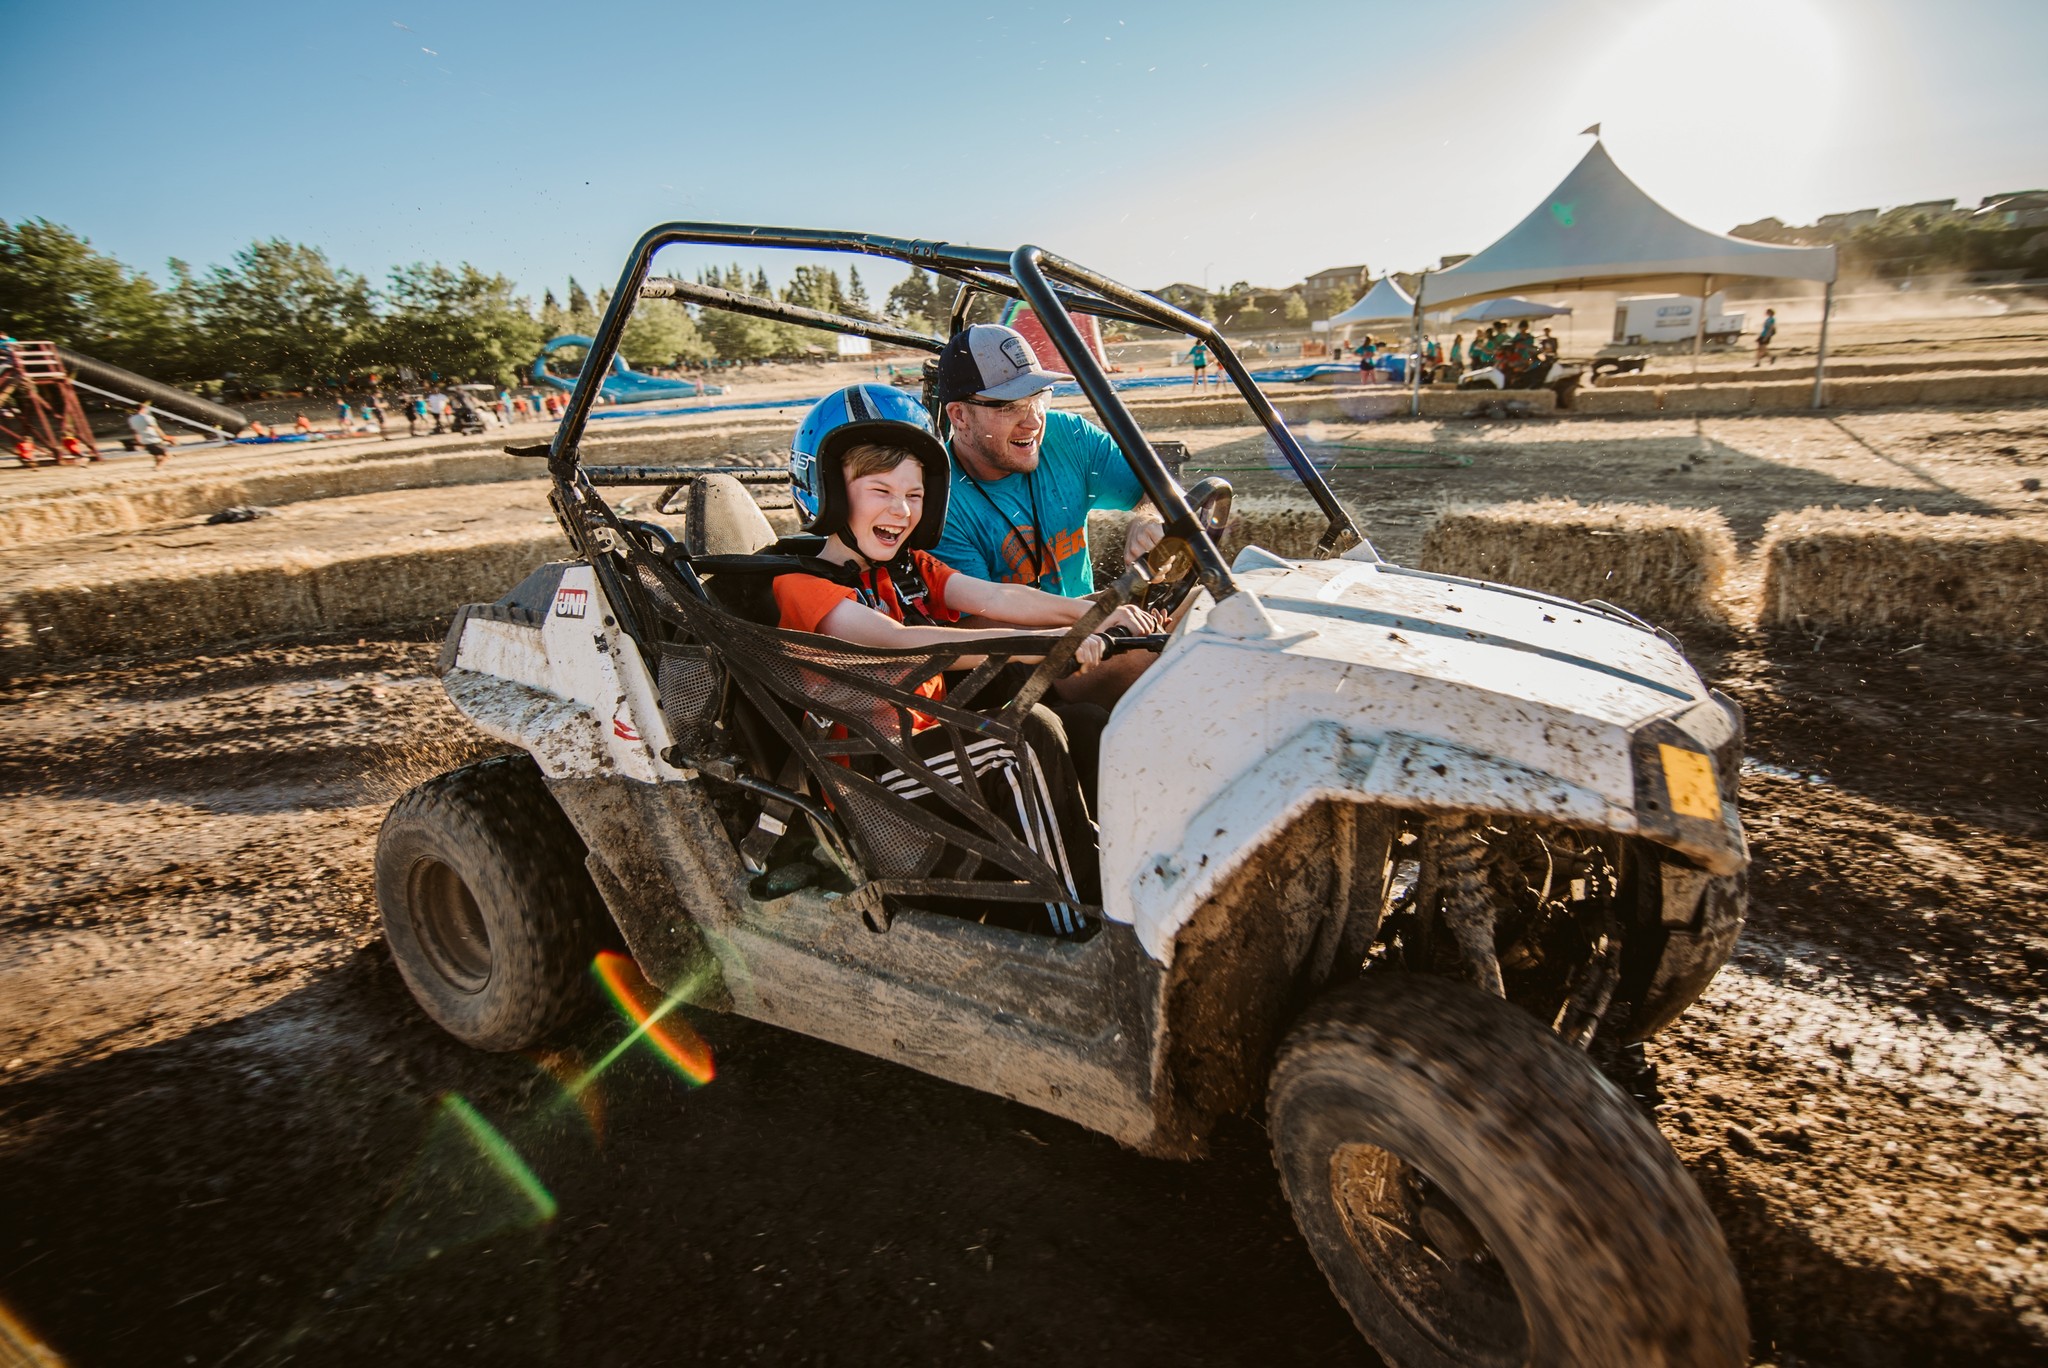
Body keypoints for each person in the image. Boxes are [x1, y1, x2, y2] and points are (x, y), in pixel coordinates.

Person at [776, 385, 1158, 934]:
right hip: (871, 775)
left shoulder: (906, 568)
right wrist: (1046, 644)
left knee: (1085, 723)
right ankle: (1071, 923)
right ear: (828, 493)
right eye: (879, 490)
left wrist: (1094, 612)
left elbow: (1000, 597)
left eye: (914, 494)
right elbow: (896, 642)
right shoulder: (802, 583)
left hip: (925, 745)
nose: (900, 510)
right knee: (1027, 740)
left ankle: (1114, 867)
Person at [128, 402, 173, 467]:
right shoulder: (148, 417)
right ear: (143, 409)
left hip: (144, 440)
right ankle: (158, 468)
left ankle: (157, 467)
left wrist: (138, 441)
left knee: (157, 455)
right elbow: (156, 428)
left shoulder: (131, 419)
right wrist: (164, 437)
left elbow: (135, 431)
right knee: (167, 455)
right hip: (154, 439)